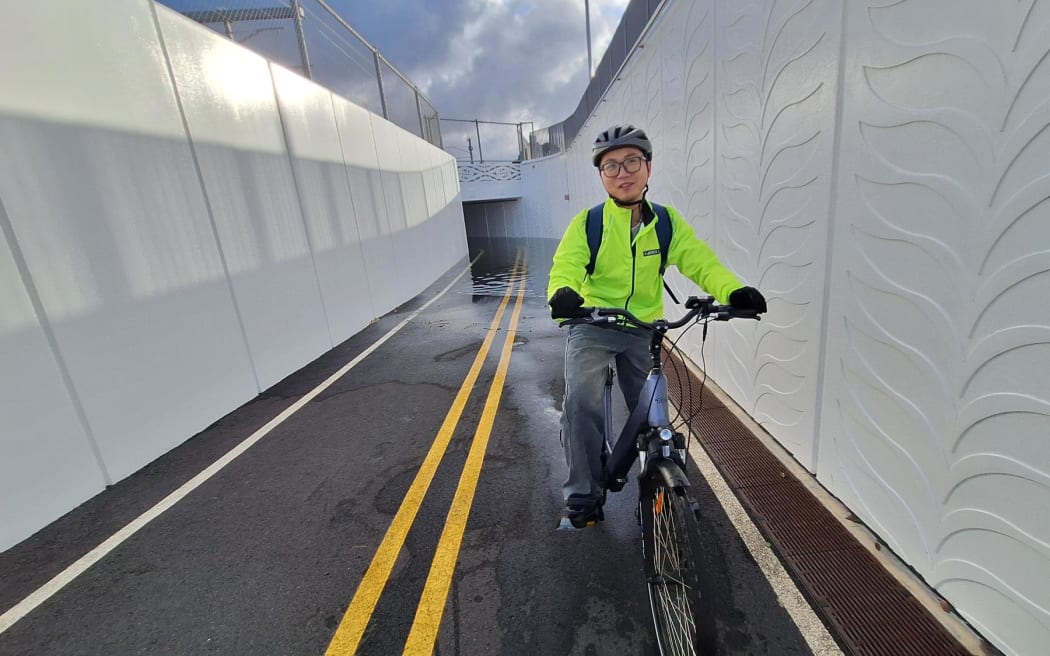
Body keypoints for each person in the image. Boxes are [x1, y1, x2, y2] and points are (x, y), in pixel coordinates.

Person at [547, 124, 767, 528]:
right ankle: (584, 492)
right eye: (611, 166)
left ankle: (659, 479)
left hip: (642, 327)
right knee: (581, 403)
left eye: (632, 161)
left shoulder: (666, 223)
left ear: (648, 168)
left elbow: (700, 261)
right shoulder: (589, 224)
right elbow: (567, 265)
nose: (622, 172)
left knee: (653, 415)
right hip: (592, 323)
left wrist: (734, 291)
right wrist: (563, 294)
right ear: (601, 176)